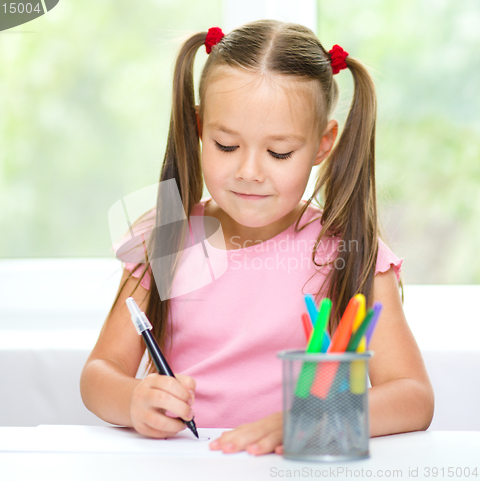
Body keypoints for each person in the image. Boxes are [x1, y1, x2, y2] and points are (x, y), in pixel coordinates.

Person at [80, 19, 434, 456]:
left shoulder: (348, 249)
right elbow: (100, 371)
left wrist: (307, 420)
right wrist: (133, 400)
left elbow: (413, 397)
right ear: (199, 127)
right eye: (226, 145)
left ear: (323, 144)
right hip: (185, 464)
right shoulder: (168, 234)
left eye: (279, 152)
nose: (249, 172)